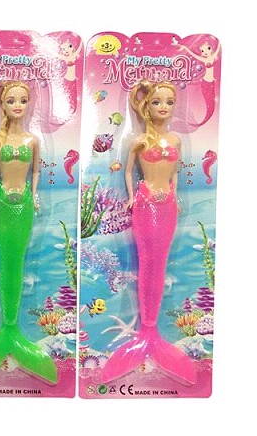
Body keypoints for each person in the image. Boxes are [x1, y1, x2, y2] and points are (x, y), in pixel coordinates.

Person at [101, 79, 196, 385]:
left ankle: (152, 331)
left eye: (169, 102)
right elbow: (129, 171)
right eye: (156, 102)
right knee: (146, 263)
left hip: (167, 206)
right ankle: (146, 331)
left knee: (160, 263)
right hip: (144, 204)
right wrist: (131, 196)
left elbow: (175, 174)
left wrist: (174, 196)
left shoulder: (176, 141)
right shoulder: (140, 141)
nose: (163, 107)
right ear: (145, 106)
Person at [0, 80, 57, 384]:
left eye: (23, 100)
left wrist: (35, 195)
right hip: (2, 204)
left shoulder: (31, 141)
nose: (17, 105)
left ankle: (12, 329)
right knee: (5, 262)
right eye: (11, 100)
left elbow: (36, 171)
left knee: (17, 262)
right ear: (2, 104)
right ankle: (7, 330)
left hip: (24, 204)